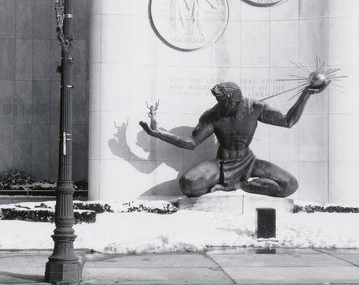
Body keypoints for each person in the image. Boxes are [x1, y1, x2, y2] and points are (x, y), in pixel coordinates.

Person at [139, 73, 329, 198]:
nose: (220, 105)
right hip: (221, 164)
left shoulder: (255, 108)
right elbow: (191, 143)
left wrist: (306, 94)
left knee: (290, 184)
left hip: (248, 161)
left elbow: (288, 121)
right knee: (188, 184)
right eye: (218, 101)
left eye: (223, 102)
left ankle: (241, 185)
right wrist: (157, 134)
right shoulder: (213, 115)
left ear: (235, 100)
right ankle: (227, 182)